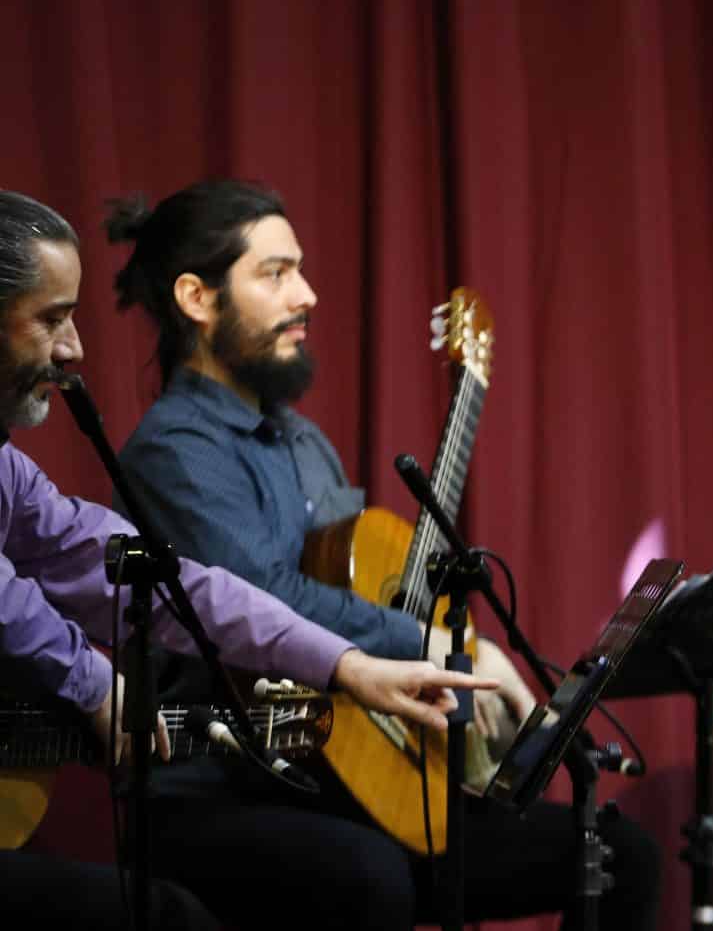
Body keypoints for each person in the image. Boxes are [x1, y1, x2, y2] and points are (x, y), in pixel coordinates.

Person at [107, 180, 663, 930]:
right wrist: (438, 645)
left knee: (619, 852)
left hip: (349, 777)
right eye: (275, 273)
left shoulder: (304, 442)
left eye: (301, 268)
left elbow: (358, 596)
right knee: (372, 880)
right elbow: (261, 601)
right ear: (196, 299)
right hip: (220, 786)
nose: (306, 294)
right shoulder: (175, 451)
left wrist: (451, 677)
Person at [0, 189, 492, 930]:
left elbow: (177, 588)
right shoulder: (177, 447)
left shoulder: (10, 474)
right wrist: (92, 680)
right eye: (50, 318)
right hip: (201, 796)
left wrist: (350, 665)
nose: (73, 348)